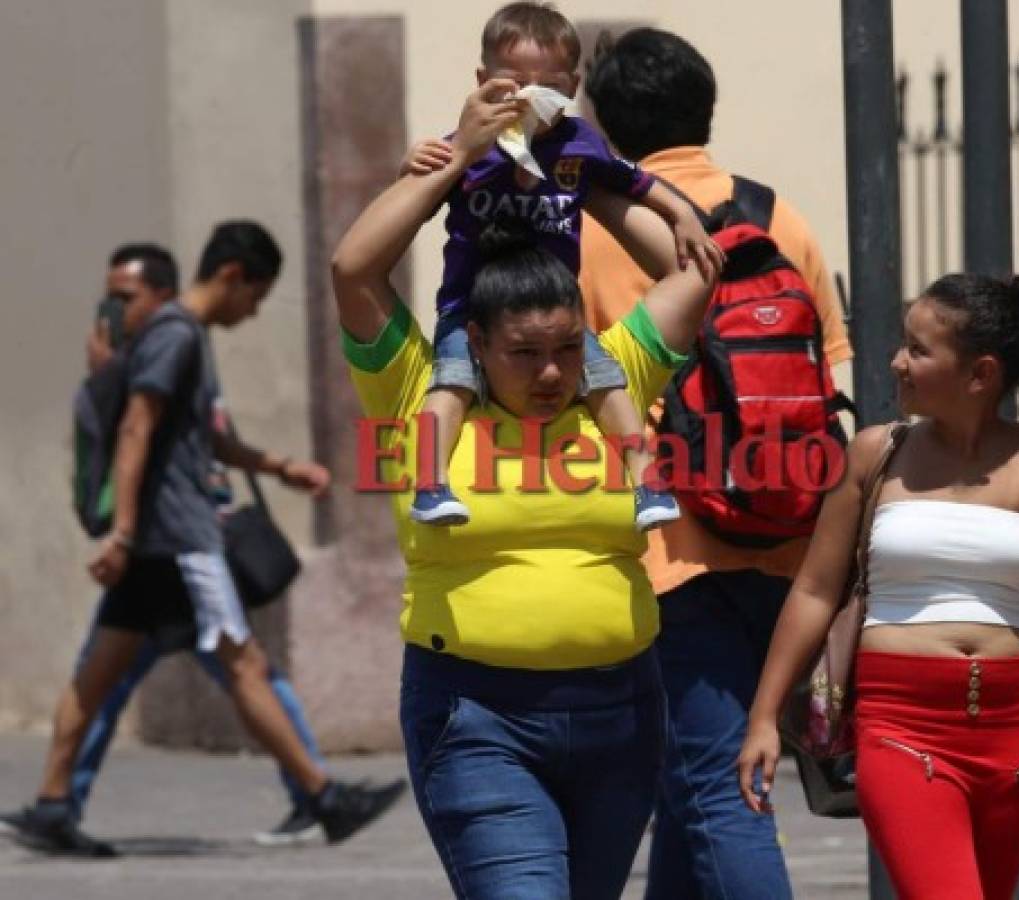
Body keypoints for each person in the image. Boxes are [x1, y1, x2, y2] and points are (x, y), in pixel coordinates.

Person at [331, 77, 720, 899]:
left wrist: (577, 174)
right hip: (474, 718)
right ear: (474, 341)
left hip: (622, 716)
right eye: (523, 353)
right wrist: (460, 159)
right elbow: (353, 268)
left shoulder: (617, 376)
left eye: (566, 349)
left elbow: (691, 270)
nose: (551, 372)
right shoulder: (418, 386)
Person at [739, 273, 1019, 899]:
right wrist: (765, 716)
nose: (896, 361)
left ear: (979, 374)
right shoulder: (877, 454)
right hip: (902, 728)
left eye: (918, 349)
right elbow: (816, 590)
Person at [2, 222, 405, 858]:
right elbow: (138, 427)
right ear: (232, 276)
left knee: (96, 677)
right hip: (181, 540)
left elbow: (193, 437)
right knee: (244, 665)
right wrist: (126, 532)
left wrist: (276, 467)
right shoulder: (177, 335)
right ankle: (323, 798)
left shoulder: (171, 337)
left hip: (153, 544)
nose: (254, 310)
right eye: (258, 295)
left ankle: (53, 804)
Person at [579, 28, 853, 898]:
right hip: (783, 530)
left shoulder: (596, 230)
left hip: (670, 549)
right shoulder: (779, 216)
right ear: (706, 109)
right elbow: (828, 368)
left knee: (716, 785)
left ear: (607, 124)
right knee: (691, 783)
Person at [396, 1, 720, 533]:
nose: (529, 96)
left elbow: (634, 180)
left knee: (608, 382)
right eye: (512, 82)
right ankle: (431, 484)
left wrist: (682, 214)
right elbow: (411, 191)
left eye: (546, 84)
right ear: (482, 82)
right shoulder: (469, 145)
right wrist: (420, 162)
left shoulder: (578, 144)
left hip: (556, 312)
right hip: (469, 309)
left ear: (571, 87)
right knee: (448, 385)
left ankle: (645, 482)